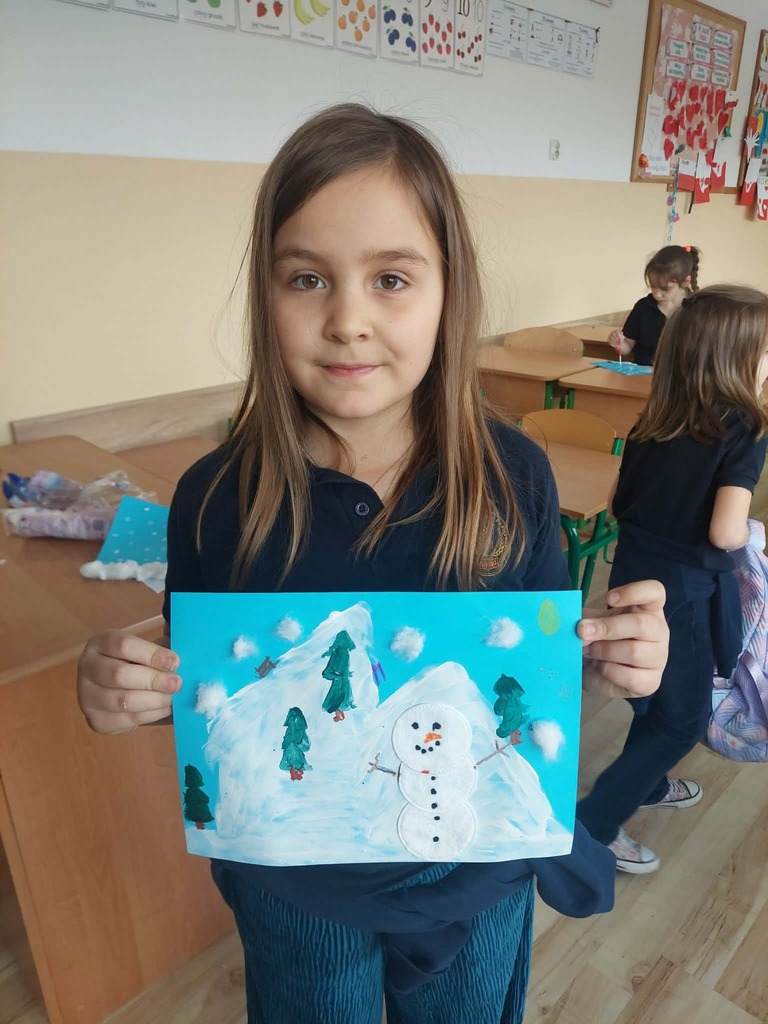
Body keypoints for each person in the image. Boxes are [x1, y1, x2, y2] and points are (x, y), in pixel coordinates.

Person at [76, 104, 668, 1024]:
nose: (347, 320)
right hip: (298, 887)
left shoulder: (515, 475)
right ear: (265, 294)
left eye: (391, 278)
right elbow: (203, 680)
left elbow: (540, 659)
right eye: (307, 278)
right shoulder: (215, 496)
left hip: (477, 871)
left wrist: (613, 658)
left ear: (447, 293)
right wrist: (125, 683)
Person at [579, 285, 768, 875]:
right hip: (682, 596)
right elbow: (724, 533)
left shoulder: (655, 418)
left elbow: (618, 502)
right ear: (738, 357)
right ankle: (593, 827)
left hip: (632, 576)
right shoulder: (747, 427)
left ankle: (650, 782)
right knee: (682, 719)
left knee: (649, 689)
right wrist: (751, 534)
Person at [608, 244, 700, 366]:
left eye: (665, 288)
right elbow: (627, 347)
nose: (657, 294)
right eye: (653, 286)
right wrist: (618, 344)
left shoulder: (697, 309)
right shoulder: (643, 307)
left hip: (680, 375)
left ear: (685, 281)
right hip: (643, 374)